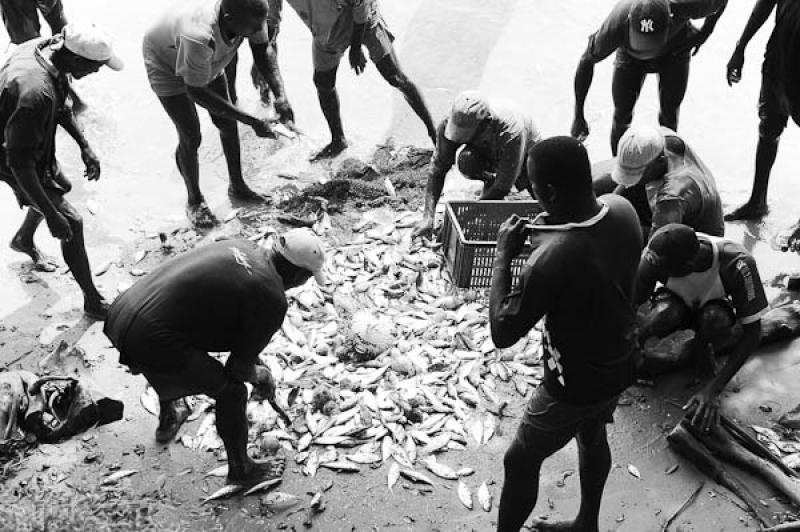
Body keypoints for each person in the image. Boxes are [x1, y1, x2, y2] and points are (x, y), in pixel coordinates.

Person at [490, 136, 642, 532]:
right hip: (621, 361)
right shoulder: (624, 210)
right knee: (592, 435)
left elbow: (503, 332)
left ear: (551, 193)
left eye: (535, 189)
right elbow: (591, 255)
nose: (533, 195)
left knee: (519, 460)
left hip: (573, 383)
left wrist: (504, 256)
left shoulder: (551, 259)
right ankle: (586, 523)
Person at [103, 228, 327, 486]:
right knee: (231, 392)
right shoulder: (272, 297)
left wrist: (255, 362)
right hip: (150, 336)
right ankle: (242, 469)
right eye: (309, 277)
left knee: (179, 344)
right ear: (299, 275)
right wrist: (260, 375)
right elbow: (237, 371)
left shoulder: (243, 246)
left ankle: (170, 415)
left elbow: (233, 329)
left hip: (123, 310)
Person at [0, 23, 122, 319]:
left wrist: (85, 145)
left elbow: (62, 103)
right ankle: (93, 301)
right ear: (77, 60)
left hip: (26, 136)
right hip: (9, 152)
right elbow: (19, 163)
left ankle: (23, 239)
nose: (97, 73)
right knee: (72, 222)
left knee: (61, 187)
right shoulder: (34, 95)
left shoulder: (44, 48)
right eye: (96, 67)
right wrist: (53, 216)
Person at [143, 0, 280, 229]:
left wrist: (280, 96)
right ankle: (194, 200)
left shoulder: (253, 17)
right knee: (191, 135)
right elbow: (196, 91)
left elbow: (262, 52)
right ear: (229, 20)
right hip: (164, 59)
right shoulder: (199, 37)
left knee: (227, 124)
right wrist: (251, 120)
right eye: (254, 27)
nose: (259, 30)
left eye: (261, 24)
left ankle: (237, 185)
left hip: (204, 58)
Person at [634, 224, 768, 431]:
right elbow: (632, 302)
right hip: (676, 303)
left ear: (690, 265)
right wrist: (632, 347)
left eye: (664, 270)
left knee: (714, 319)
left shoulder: (738, 264)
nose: (655, 271)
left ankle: (700, 347)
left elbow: (753, 333)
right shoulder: (656, 256)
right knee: (662, 315)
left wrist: (713, 390)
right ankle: (670, 354)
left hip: (714, 308)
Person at [268, 0, 436, 160]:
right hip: (328, 31)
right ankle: (338, 140)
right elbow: (271, 20)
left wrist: (355, 47)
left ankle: (433, 132)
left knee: (395, 76)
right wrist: (265, 54)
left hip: (365, 21)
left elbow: (360, 4)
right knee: (323, 83)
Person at [571, 0, 727, 154]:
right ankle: (619, 168)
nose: (648, 51)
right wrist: (578, 115)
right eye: (643, 42)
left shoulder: (686, 4)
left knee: (669, 116)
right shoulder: (618, 22)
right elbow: (587, 60)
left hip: (674, 52)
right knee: (621, 115)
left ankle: (667, 166)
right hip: (631, 57)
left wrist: (705, 33)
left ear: (670, 19)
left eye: (651, 43)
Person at [412, 91, 542, 239]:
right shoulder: (451, 122)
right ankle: (490, 182)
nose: (460, 137)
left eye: (467, 134)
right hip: (488, 148)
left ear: (486, 124)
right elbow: (437, 170)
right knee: (467, 162)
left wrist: (464, 218)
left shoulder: (511, 131)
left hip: (526, 153)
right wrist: (428, 217)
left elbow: (503, 186)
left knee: (531, 184)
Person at [724, 0, 800, 221]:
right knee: (768, 128)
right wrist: (741, 46)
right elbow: (765, 4)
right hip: (779, 59)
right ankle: (757, 201)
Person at [609, 125, 724, 240]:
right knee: (610, 212)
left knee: (619, 232)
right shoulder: (661, 137)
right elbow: (623, 189)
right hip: (683, 206)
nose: (631, 181)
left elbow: (657, 247)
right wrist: (608, 210)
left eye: (638, 174)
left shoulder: (672, 195)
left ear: (661, 161)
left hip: (697, 240)